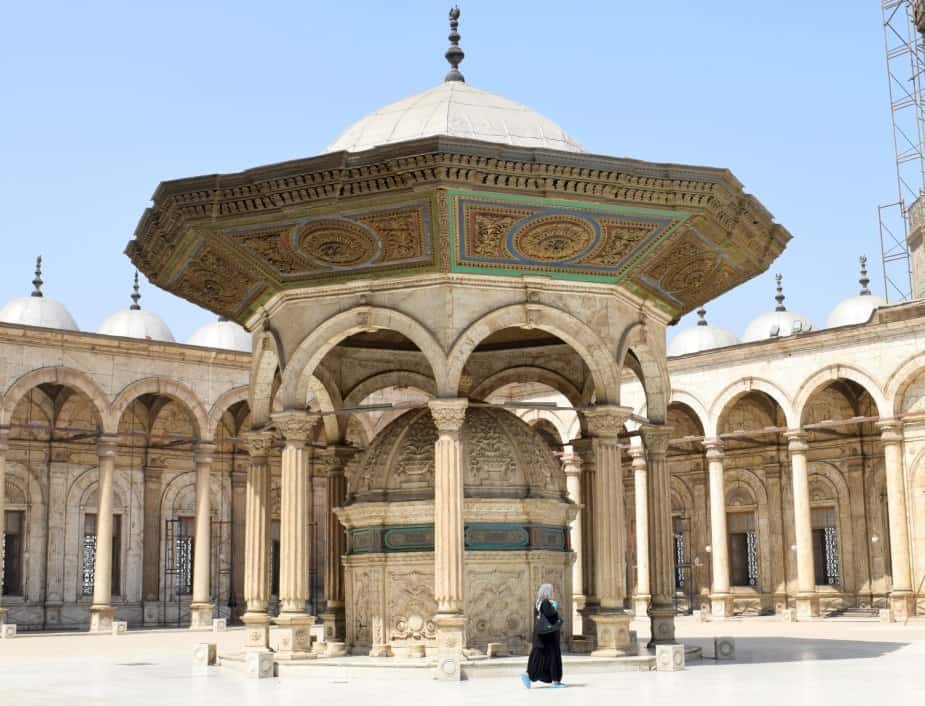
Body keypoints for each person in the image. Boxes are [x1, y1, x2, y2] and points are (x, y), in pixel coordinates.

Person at [521, 583, 564, 689]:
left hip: (541, 637)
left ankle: (528, 674)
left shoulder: (537, 603)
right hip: (548, 637)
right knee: (553, 657)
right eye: (551, 591)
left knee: (538, 657)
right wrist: (554, 606)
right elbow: (551, 615)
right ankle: (555, 681)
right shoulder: (546, 603)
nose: (552, 593)